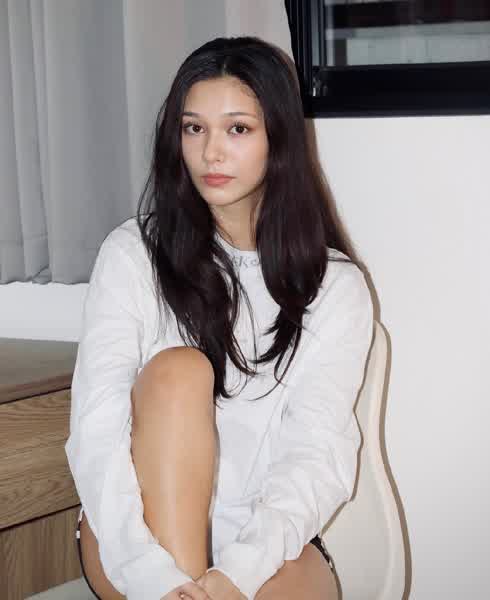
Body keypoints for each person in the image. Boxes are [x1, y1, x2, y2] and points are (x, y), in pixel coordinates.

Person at [65, 36, 373, 600]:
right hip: (133, 535)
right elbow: (96, 430)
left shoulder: (334, 287)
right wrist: (156, 578)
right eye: (194, 128)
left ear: (278, 137)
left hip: (267, 543)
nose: (211, 153)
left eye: (237, 129)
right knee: (179, 370)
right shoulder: (132, 254)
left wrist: (235, 575)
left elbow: (316, 452)